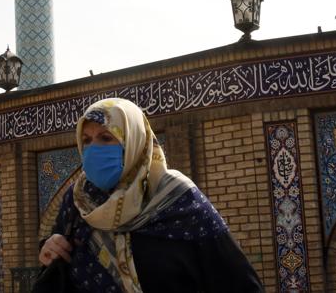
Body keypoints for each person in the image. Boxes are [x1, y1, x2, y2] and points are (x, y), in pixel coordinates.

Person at [38, 97, 263, 292]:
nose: (93, 148)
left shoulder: (178, 199)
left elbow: (241, 284)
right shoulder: (79, 200)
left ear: (134, 140)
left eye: (106, 138)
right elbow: (60, 269)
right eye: (86, 140)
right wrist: (49, 250)